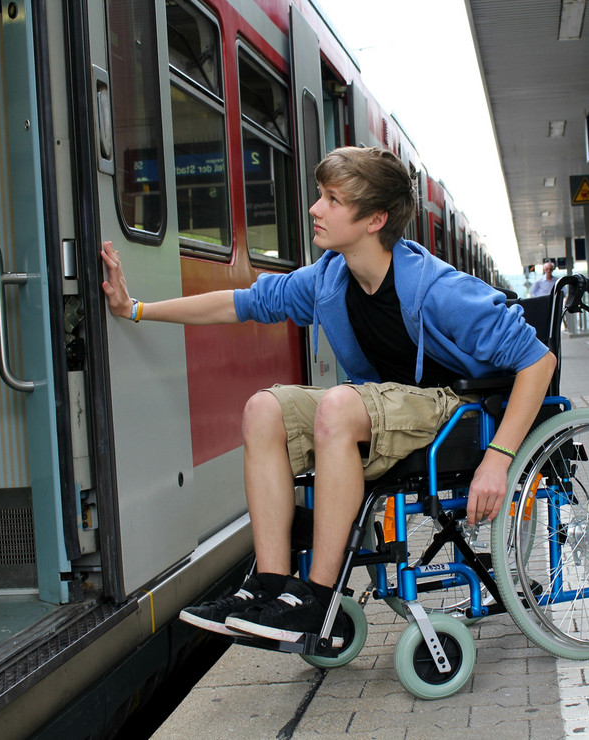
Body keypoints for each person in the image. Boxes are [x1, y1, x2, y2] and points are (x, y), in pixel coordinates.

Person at [101, 146, 556, 647]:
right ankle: (273, 587)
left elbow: (539, 360)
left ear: (374, 219)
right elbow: (241, 303)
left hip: (455, 407)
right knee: (262, 409)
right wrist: (136, 308)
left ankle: (318, 597)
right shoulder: (328, 280)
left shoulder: (441, 291)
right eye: (321, 195)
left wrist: (499, 458)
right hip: (384, 407)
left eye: (332, 199)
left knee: (339, 403)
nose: (315, 208)